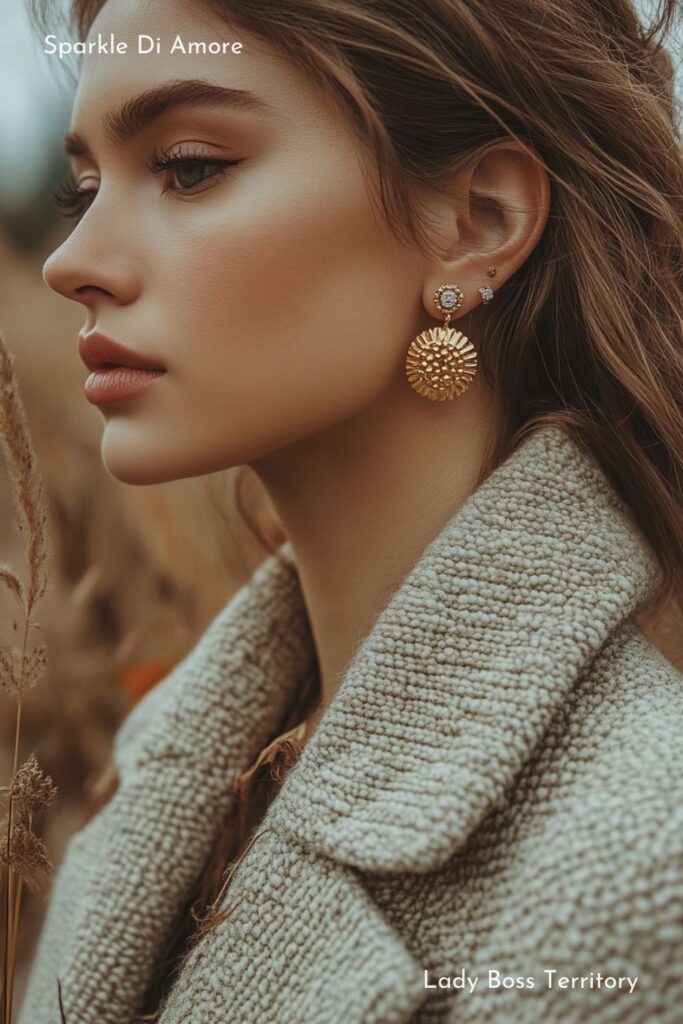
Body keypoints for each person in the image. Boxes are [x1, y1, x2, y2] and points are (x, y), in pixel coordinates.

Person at [19, 0, 683, 1021]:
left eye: (189, 165)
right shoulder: (166, 770)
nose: (71, 261)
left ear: (478, 223)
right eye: (85, 187)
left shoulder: (643, 857)